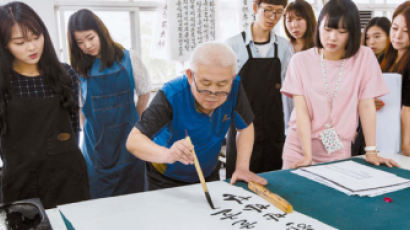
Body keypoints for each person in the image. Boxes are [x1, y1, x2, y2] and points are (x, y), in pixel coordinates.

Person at [126, 42, 267, 190]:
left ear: (232, 78)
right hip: (165, 179)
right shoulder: (171, 94)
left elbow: (245, 127)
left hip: (209, 174)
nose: (213, 94)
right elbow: (134, 141)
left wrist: (242, 167)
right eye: (205, 84)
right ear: (189, 75)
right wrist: (168, 154)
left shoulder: (234, 87)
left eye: (221, 85)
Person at [280, 0, 399, 169]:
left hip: (337, 147)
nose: (332, 37)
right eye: (327, 29)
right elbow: (301, 111)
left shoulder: (364, 57)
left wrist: (371, 151)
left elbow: (366, 105)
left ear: (353, 33)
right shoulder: (300, 61)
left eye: (342, 31)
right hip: (299, 146)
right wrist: (307, 155)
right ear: (318, 26)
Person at [0, 1, 89, 208]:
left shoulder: (65, 74)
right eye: (20, 42)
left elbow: (74, 126)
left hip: (68, 177)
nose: (32, 47)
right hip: (22, 181)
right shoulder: (3, 84)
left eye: (36, 37)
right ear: (5, 44)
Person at [67, 9, 150, 198]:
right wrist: (89, 136)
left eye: (90, 37)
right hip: (96, 147)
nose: (87, 45)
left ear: (100, 32)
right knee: (99, 201)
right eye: (80, 42)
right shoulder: (78, 68)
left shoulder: (128, 58)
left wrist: (136, 122)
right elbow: (80, 109)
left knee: (135, 197)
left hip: (128, 141)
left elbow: (144, 93)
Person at [225, 0, 293, 177]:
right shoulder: (233, 45)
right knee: (240, 184)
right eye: (268, 10)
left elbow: (289, 90)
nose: (273, 17)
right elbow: (225, 89)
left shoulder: (284, 47)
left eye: (279, 12)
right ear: (255, 8)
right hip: (242, 125)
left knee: (274, 181)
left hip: (274, 126)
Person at [351, 16, 391, 156]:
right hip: (362, 128)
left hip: (386, 128)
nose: (371, 42)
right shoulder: (363, 62)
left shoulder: (395, 63)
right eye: (367, 38)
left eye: (377, 36)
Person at [380, 1, 410, 156]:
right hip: (384, 130)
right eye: (395, 28)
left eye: (406, 31)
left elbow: (407, 108)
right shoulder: (386, 58)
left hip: (400, 135)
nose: (398, 35)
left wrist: (406, 145)